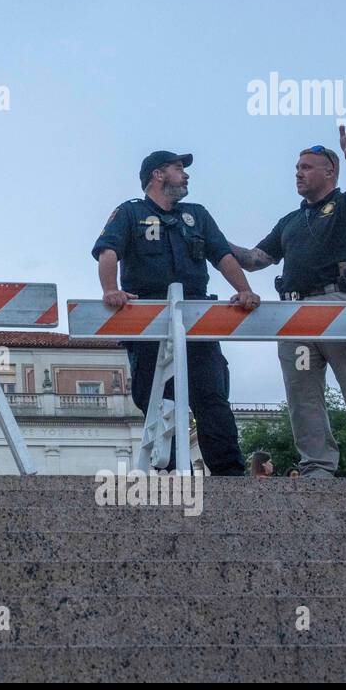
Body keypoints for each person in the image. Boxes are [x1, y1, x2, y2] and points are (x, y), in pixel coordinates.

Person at [227, 122, 346, 478]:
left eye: (306, 167)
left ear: (330, 171)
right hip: (294, 315)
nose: (298, 173)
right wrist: (211, 239)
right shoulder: (290, 221)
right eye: (296, 168)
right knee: (302, 397)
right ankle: (317, 469)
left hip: (340, 305)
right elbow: (255, 259)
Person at [92, 151, 260, 476]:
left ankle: (230, 477)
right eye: (179, 168)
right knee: (155, 400)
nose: (186, 175)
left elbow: (222, 255)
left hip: (196, 319)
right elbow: (108, 250)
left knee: (211, 396)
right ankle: (167, 473)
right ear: (158, 175)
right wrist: (110, 289)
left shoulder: (196, 215)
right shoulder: (130, 213)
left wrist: (245, 289)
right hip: (147, 321)